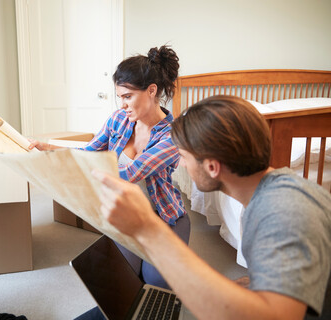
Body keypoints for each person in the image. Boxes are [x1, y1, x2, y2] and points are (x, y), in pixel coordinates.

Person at [92, 95, 331, 320]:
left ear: (212, 167)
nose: (182, 165)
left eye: (183, 157)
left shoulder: (285, 210)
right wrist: (253, 284)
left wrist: (149, 230)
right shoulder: (266, 195)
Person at [29, 45, 189, 290]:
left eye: (128, 97)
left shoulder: (172, 135)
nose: (123, 105)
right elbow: (89, 152)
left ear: (151, 91)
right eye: (120, 97)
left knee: (156, 283)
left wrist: (76, 174)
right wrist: (48, 149)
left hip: (163, 217)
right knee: (123, 280)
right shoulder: (118, 120)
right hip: (130, 214)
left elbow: (130, 174)